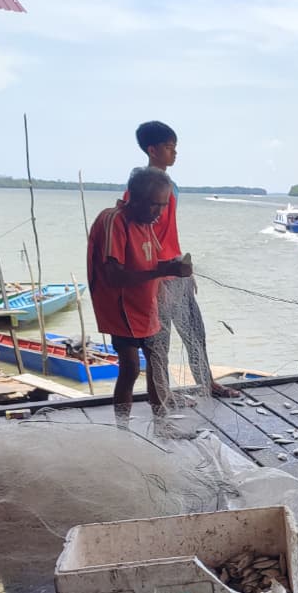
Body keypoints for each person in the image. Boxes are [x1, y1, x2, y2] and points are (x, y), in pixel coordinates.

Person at [131, 120, 239, 399]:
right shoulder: (141, 188)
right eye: (169, 147)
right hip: (157, 276)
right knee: (159, 342)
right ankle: (162, 395)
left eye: (175, 147)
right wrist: (154, 279)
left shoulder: (171, 186)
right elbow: (140, 237)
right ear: (152, 150)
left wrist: (185, 271)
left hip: (176, 271)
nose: (175, 153)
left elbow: (168, 233)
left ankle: (208, 383)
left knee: (195, 333)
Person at [87, 167, 193, 425]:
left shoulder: (146, 223)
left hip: (146, 306)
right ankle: (122, 429)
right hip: (121, 308)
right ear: (134, 198)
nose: (159, 212)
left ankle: (162, 424)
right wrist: (163, 270)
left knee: (157, 364)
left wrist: (171, 269)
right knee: (131, 368)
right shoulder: (114, 220)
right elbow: (114, 275)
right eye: (154, 204)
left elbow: (150, 263)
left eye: (163, 205)